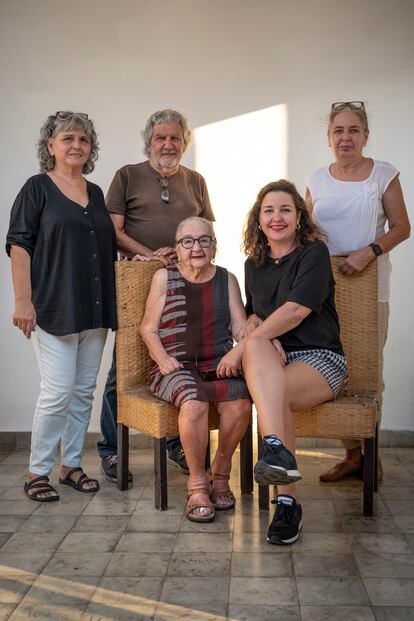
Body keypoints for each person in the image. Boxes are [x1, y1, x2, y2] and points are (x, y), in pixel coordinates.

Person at [217, 180, 348, 544]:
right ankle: (283, 478)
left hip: (320, 357)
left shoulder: (313, 253)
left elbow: (294, 312)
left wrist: (241, 347)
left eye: (285, 210)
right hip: (274, 359)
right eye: (269, 211)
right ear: (258, 220)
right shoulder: (253, 264)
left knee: (266, 385)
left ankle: (286, 493)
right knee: (259, 349)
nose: (277, 217)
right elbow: (255, 317)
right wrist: (256, 334)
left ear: (299, 218)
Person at [98, 109, 214, 483]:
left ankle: (175, 443)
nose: (168, 144)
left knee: (179, 361)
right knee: (125, 368)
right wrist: (148, 255)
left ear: (184, 142)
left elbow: (207, 232)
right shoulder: (127, 176)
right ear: (149, 141)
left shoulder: (195, 181)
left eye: (175, 138)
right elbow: (112, 231)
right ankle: (112, 450)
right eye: (161, 138)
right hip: (136, 284)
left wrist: (184, 255)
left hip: (184, 282)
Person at [6, 111, 117, 502]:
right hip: (53, 306)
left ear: (91, 149)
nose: (76, 145)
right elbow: (19, 245)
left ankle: (70, 465)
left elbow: (106, 244)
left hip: (95, 308)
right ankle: (37, 471)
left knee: (84, 390)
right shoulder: (37, 188)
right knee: (57, 391)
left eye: (83, 140)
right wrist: (23, 301)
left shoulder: (97, 192)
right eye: (68, 138)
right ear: (50, 146)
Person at [305, 101, 410, 483]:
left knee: (368, 369)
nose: (345, 137)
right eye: (338, 131)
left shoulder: (383, 174)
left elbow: (401, 227)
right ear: (329, 137)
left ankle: (371, 453)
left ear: (366, 136)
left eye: (353, 130)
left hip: (369, 288)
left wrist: (370, 251)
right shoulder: (317, 179)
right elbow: (305, 231)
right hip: (324, 291)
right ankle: (352, 455)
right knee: (328, 366)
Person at [140, 217, 251, 522]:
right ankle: (198, 485)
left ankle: (221, 474)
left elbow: (241, 328)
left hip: (218, 361)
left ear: (214, 246)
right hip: (175, 363)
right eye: (187, 241)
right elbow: (148, 329)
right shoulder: (164, 277)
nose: (196, 247)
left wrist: (253, 338)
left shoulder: (225, 279)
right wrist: (162, 360)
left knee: (241, 399)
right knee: (194, 400)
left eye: (204, 240)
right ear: (177, 249)